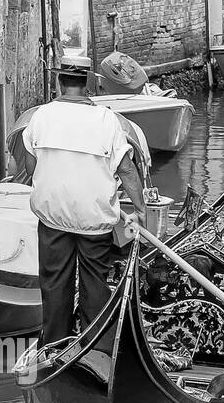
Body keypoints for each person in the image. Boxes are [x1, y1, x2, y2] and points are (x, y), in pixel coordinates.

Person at [22, 65, 149, 359]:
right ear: (89, 84)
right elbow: (126, 169)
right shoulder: (106, 120)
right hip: (94, 219)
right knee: (94, 282)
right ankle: (95, 351)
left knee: (55, 281)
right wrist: (139, 210)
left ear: (59, 82)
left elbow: (31, 167)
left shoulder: (40, 116)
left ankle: (54, 346)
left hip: (52, 216)